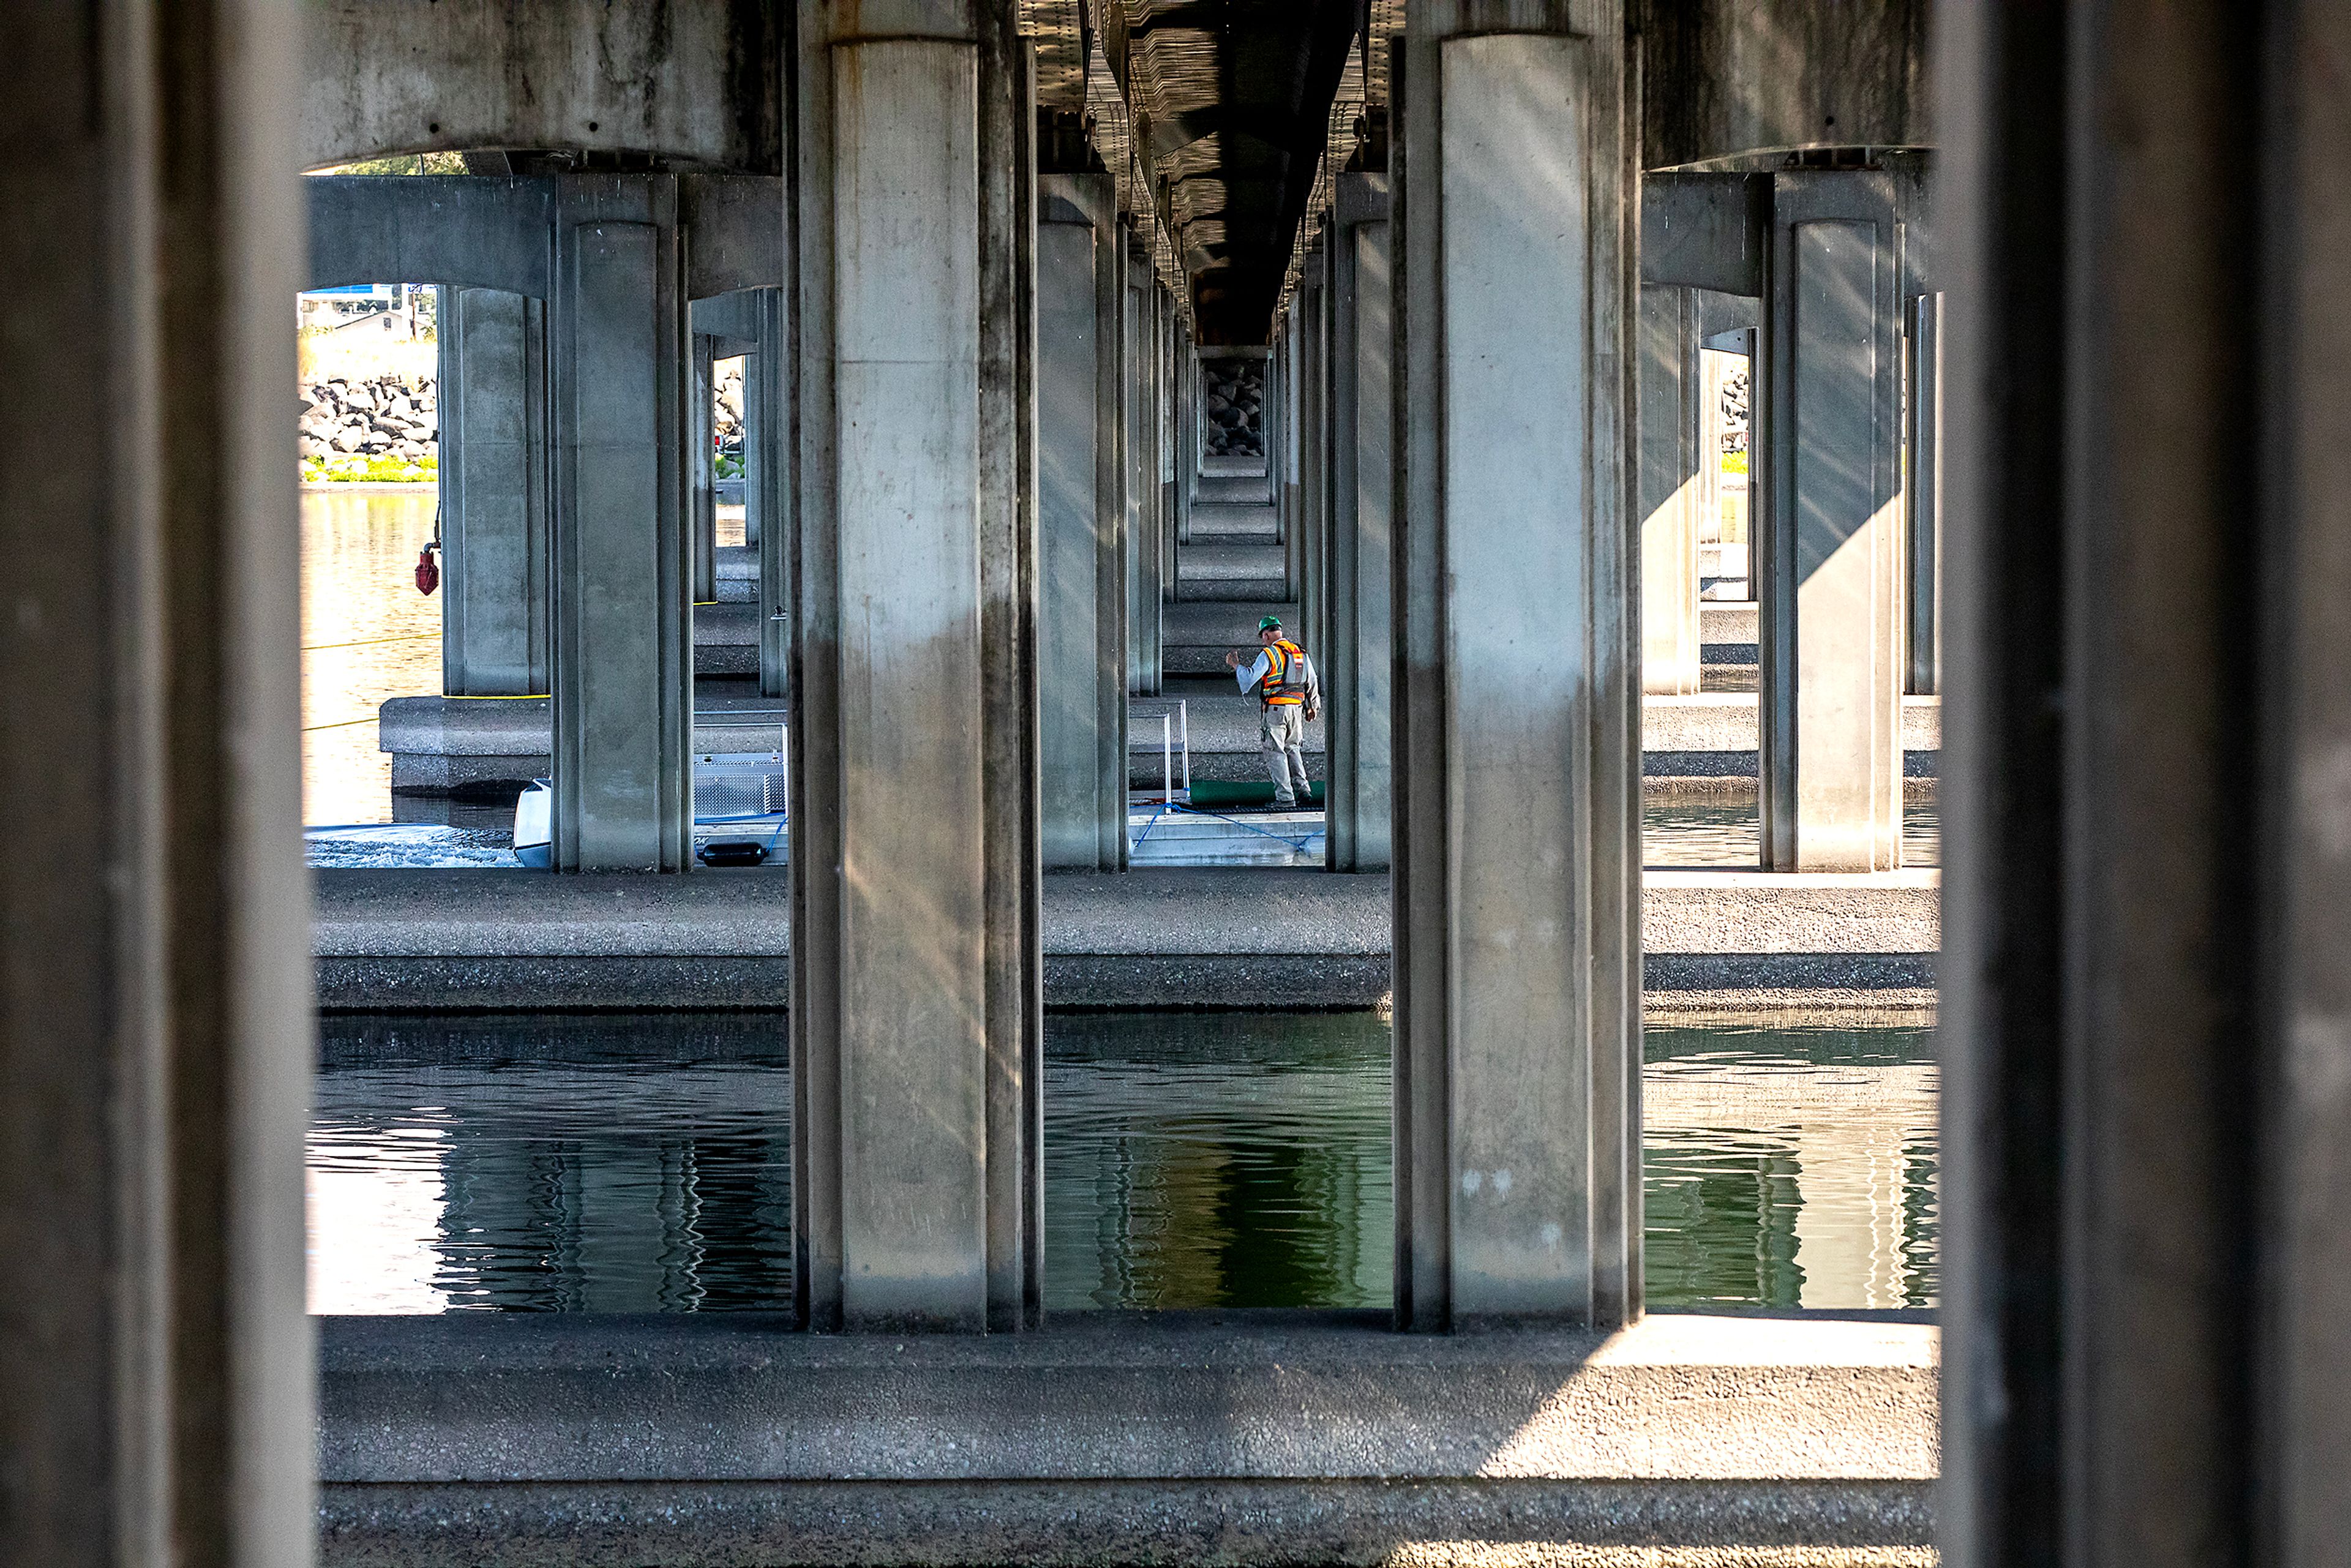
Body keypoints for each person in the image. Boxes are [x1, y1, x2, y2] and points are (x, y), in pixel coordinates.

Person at [1224, 614, 1321, 809]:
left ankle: (1285, 798)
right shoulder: (1300, 653)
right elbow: (1312, 681)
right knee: (1293, 749)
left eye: (1263, 636)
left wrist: (1236, 666)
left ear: (1267, 635)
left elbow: (1250, 678)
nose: (1263, 639)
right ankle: (1304, 792)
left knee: (1275, 752)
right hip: (1296, 709)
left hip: (1276, 710)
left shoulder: (1269, 654)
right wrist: (1313, 706)